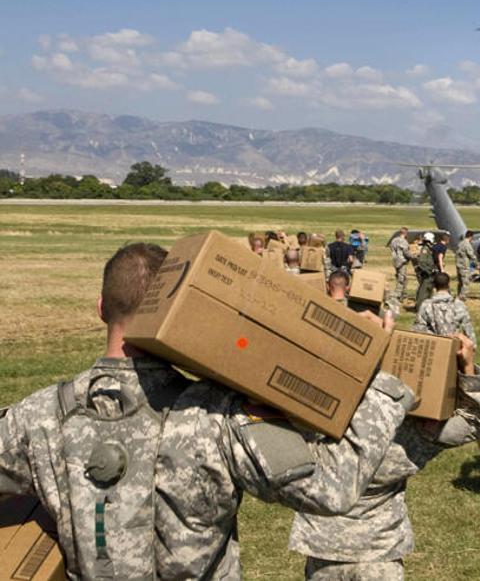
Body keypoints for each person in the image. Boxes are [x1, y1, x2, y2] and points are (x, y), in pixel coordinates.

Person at [0, 242, 413, 578]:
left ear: (101, 309)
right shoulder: (216, 414)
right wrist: (379, 378)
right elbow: (333, 486)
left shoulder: (40, 415)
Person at [289, 334, 480, 581]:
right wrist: (467, 368)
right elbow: (473, 423)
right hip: (379, 554)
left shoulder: (316, 426)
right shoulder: (406, 437)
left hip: (323, 550)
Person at [412, 272, 476, 345]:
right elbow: (468, 329)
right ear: (448, 285)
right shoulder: (458, 304)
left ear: (434, 286)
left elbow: (418, 329)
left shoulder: (426, 305)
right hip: (453, 347)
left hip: (433, 346)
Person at [413, 232, 437, 310]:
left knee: (429, 292)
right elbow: (422, 263)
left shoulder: (429, 249)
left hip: (430, 274)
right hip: (427, 274)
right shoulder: (425, 250)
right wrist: (429, 271)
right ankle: (419, 308)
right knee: (423, 292)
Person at [389, 227, 413, 302]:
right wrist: (414, 256)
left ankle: (404, 295)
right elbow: (406, 252)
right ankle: (397, 296)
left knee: (403, 278)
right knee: (401, 280)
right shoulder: (403, 242)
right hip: (402, 262)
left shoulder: (394, 240)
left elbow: (392, 249)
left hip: (395, 261)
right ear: (405, 233)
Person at [455, 230, 476, 301]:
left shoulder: (460, 243)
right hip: (464, 266)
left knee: (460, 282)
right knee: (465, 282)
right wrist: (476, 262)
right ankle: (463, 296)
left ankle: (459, 294)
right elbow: (471, 255)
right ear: (471, 236)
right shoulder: (467, 244)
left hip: (458, 265)